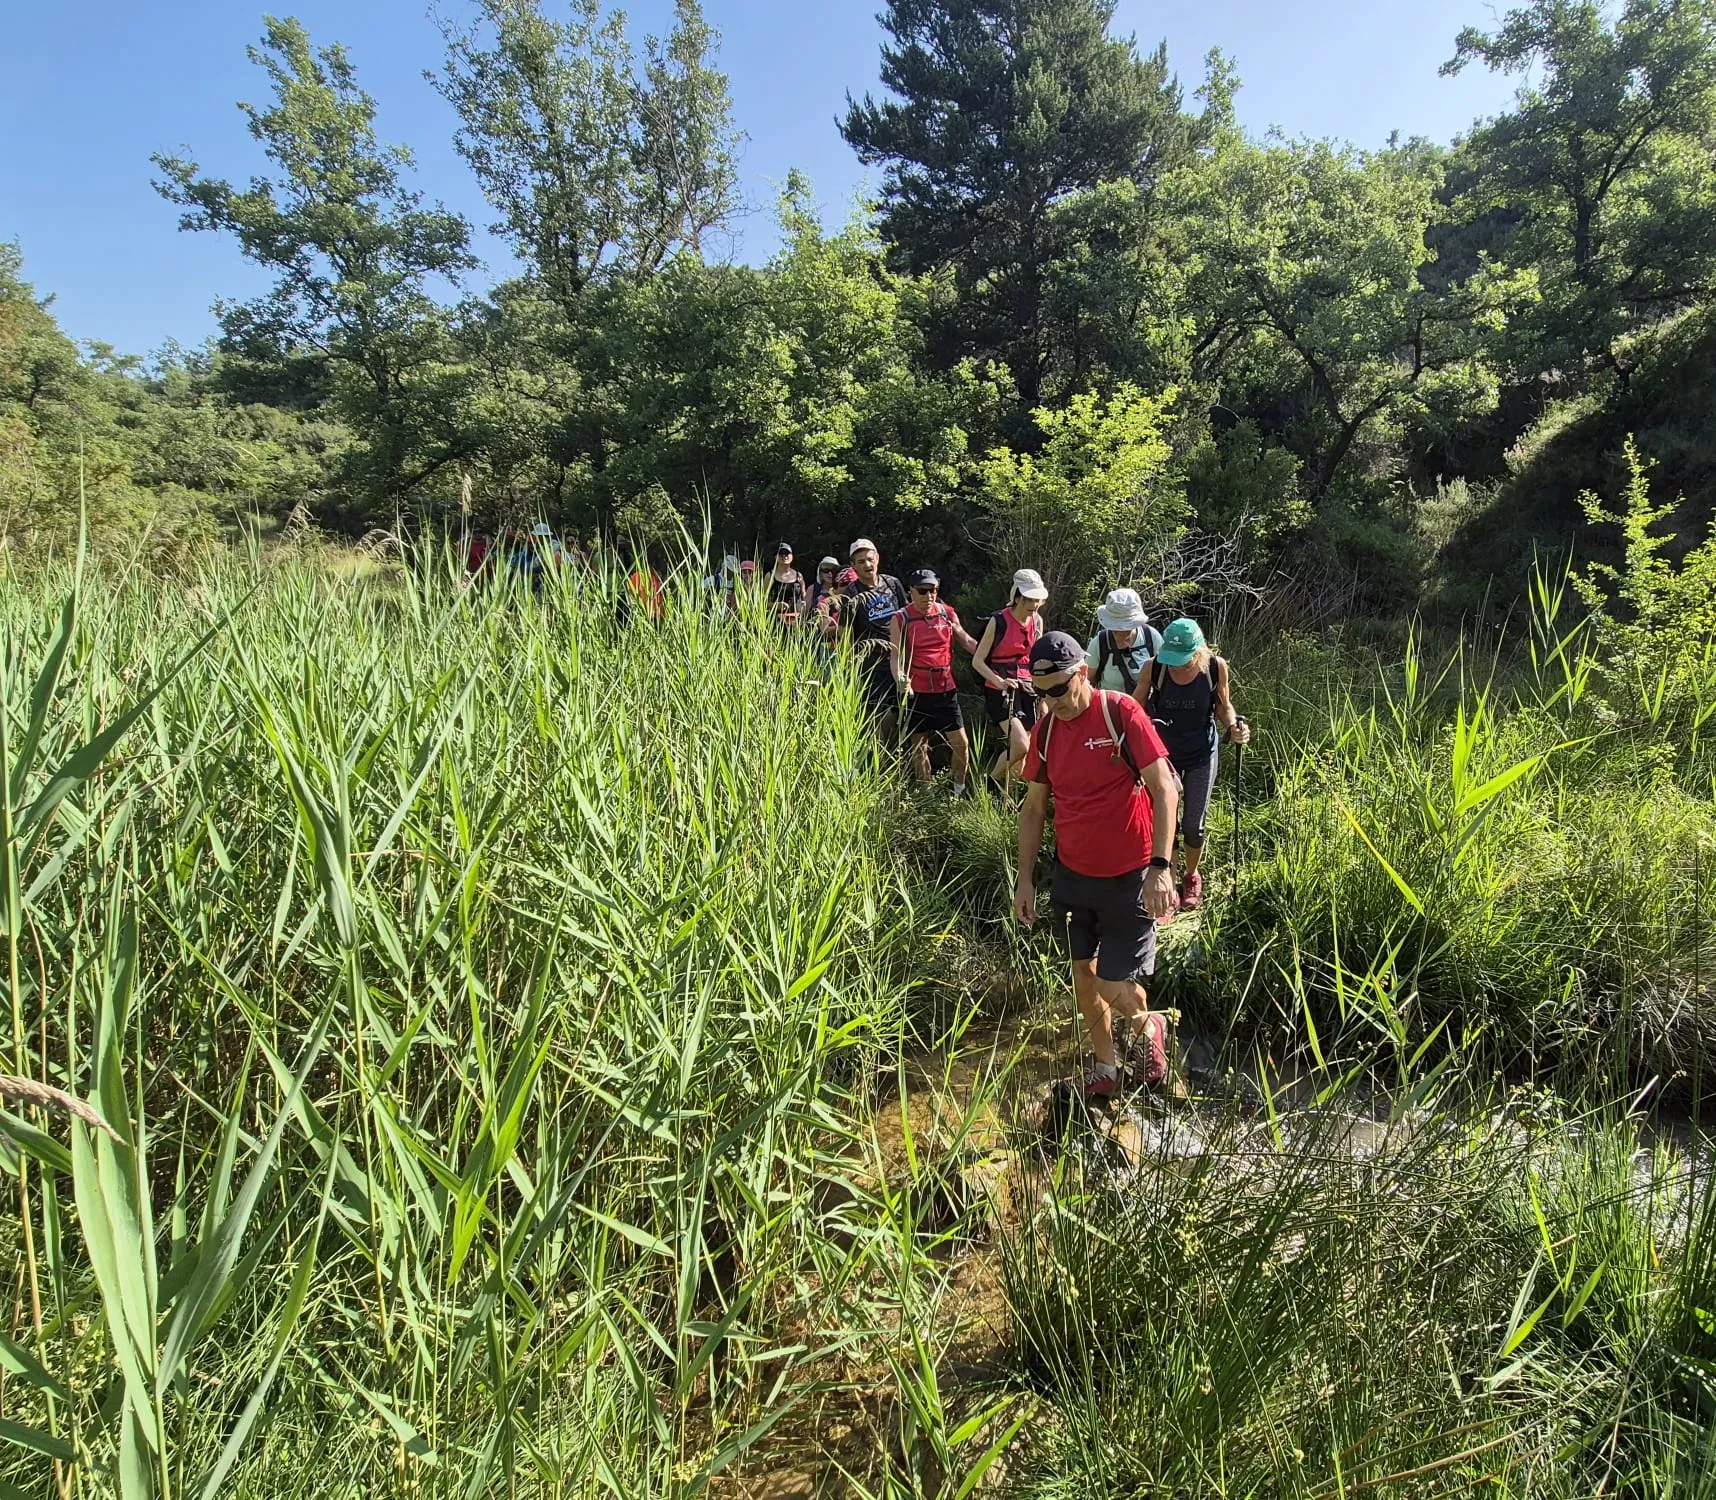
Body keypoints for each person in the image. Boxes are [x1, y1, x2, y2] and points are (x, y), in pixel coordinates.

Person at [1014, 631, 1180, 1102]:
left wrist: (1161, 867)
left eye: (1060, 689)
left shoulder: (1120, 713)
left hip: (1131, 876)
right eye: (1041, 693)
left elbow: (1165, 788)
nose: (1052, 702)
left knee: (1111, 982)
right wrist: (1025, 880)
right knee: (1082, 975)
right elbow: (1033, 809)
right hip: (1073, 874)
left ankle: (1151, 1025)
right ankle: (1105, 1065)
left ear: (1081, 673)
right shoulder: (1045, 730)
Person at [1137, 618, 1250, 911]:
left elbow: (1223, 706)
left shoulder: (1215, 667)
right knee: (1166, 820)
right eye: (1171, 660)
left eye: (1181, 661)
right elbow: (1134, 708)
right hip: (1164, 756)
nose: (1174, 667)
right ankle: (1169, 881)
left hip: (1201, 752)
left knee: (1192, 825)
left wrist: (1234, 726)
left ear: (1198, 652)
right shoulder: (1155, 668)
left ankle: (1191, 875)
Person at [891, 568, 981, 795]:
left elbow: (967, 641)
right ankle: (926, 794)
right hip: (917, 690)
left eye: (933, 590)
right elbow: (895, 656)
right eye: (922, 591)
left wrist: (990, 656)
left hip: (945, 688)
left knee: (961, 743)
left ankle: (958, 790)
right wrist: (901, 678)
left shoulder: (947, 613)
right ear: (911, 591)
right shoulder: (900, 618)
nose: (928, 596)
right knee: (919, 745)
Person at [972, 569, 1049, 793]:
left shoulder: (1038, 621)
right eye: (1030, 599)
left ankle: (1008, 800)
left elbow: (1038, 661)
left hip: (1028, 689)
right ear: (1017, 597)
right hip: (1000, 690)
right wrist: (999, 681)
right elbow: (977, 661)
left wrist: (1042, 697)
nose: (1035, 605)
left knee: (1026, 751)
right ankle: (988, 783)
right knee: (1020, 745)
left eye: (1038, 600)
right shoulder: (998, 621)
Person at [842, 538, 910, 740]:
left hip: (899, 658)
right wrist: (848, 662)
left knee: (904, 706)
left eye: (869, 559)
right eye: (860, 561)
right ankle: (878, 757)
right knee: (877, 713)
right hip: (872, 664)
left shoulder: (892, 583)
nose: (867, 565)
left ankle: (899, 752)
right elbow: (846, 632)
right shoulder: (852, 593)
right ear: (853, 566)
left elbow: (907, 615)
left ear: (877, 558)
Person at [1086, 588, 1163, 693]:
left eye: (1126, 628)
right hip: (1108, 706)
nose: (1121, 632)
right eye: (1116, 628)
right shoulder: (1100, 642)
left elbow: (1164, 673)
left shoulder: (1151, 637)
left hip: (1144, 706)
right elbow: (1088, 680)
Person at [766, 543, 807, 624]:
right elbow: (762, 601)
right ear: (776, 557)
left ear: (792, 556)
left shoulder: (799, 576)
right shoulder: (770, 576)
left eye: (787, 553)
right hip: (776, 621)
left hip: (797, 621)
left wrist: (804, 604)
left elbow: (804, 595)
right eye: (781, 554)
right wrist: (776, 605)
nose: (784, 556)